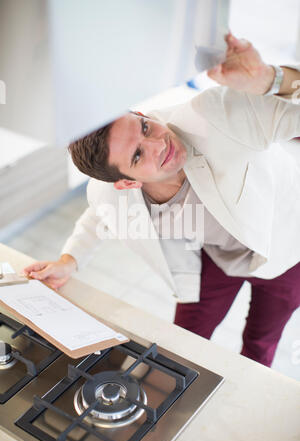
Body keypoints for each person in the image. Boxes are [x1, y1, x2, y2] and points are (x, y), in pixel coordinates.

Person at [23, 34, 300, 367]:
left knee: (259, 345)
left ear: (142, 112)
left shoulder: (213, 115)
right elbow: (100, 216)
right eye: (138, 155)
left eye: (144, 126)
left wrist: (271, 79)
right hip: (215, 259)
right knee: (181, 346)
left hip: (288, 250)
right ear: (126, 182)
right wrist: (69, 259)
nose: (159, 144)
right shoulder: (108, 192)